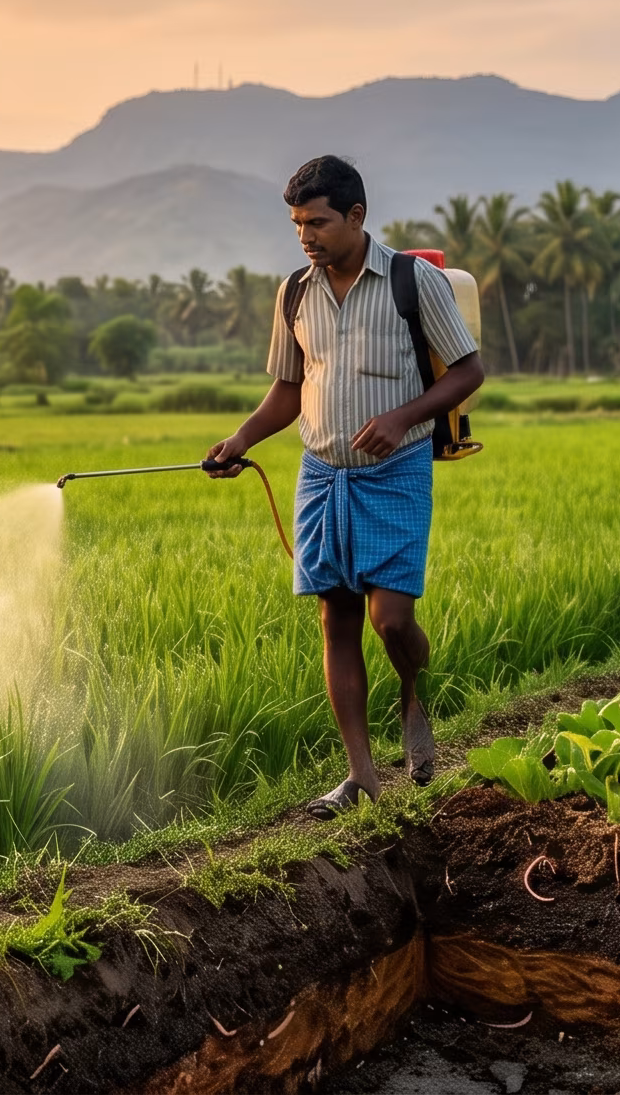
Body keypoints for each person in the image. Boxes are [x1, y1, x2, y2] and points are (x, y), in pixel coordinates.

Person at [203, 155, 485, 819]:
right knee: (338, 621)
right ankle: (361, 777)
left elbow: (468, 371)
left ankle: (413, 689)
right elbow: (288, 389)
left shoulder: (414, 283)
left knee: (392, 621)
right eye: (298, 224)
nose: (307, 236)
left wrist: (402, 417)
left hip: (398, 470)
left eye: (319, 223)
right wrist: (240, 440)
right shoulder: (294, 293)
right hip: (321, 476)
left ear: (356, 217)